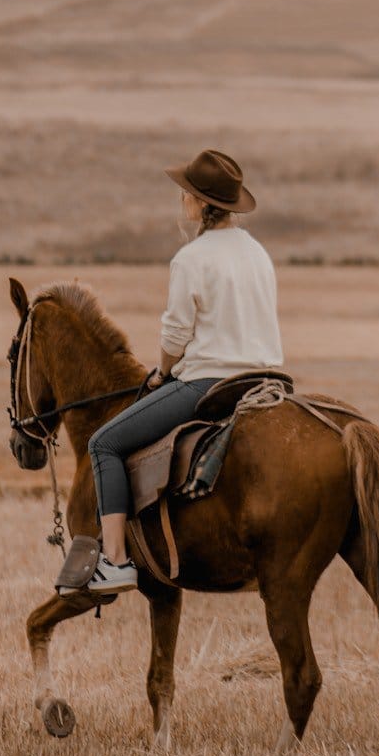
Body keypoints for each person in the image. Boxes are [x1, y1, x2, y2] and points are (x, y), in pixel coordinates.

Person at [80, 148, 284, 594]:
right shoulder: (258, 253)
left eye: (185, 193)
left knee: (104, 443)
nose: (181, 200)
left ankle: (113, 563)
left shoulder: (191, 258)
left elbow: (175, 336)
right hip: (267, 382)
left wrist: (162, 373)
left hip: (211, 383)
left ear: (200, 203)